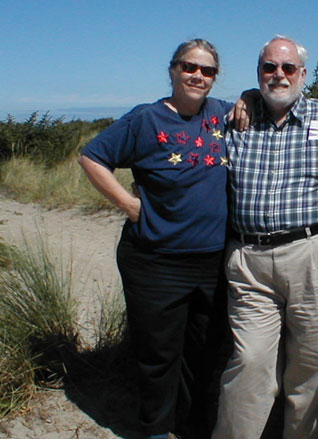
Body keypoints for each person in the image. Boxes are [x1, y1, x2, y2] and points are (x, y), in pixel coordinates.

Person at [79, 39, 245, 439]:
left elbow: (252, 100)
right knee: (158, 354)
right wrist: (130, 206)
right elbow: (92, 157)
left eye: (207, 71)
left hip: (212, 262)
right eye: (189, 67)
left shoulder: (223, 114)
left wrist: (249, 97)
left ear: (215, 77)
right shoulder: (146, 120)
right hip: (155, 260)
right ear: (172, 70)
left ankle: (194, 426)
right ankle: (156, 429)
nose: (197, 76)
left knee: (207, 352)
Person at [212, 36, 318, 439]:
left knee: (313, 366)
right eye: (269, 67)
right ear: (257, 72)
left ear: (303, 74)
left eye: (288, 68)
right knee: (249, 362)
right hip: (248, 260)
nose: (278, 75)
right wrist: (243, 97)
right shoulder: (233, 120)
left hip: (311, 255)